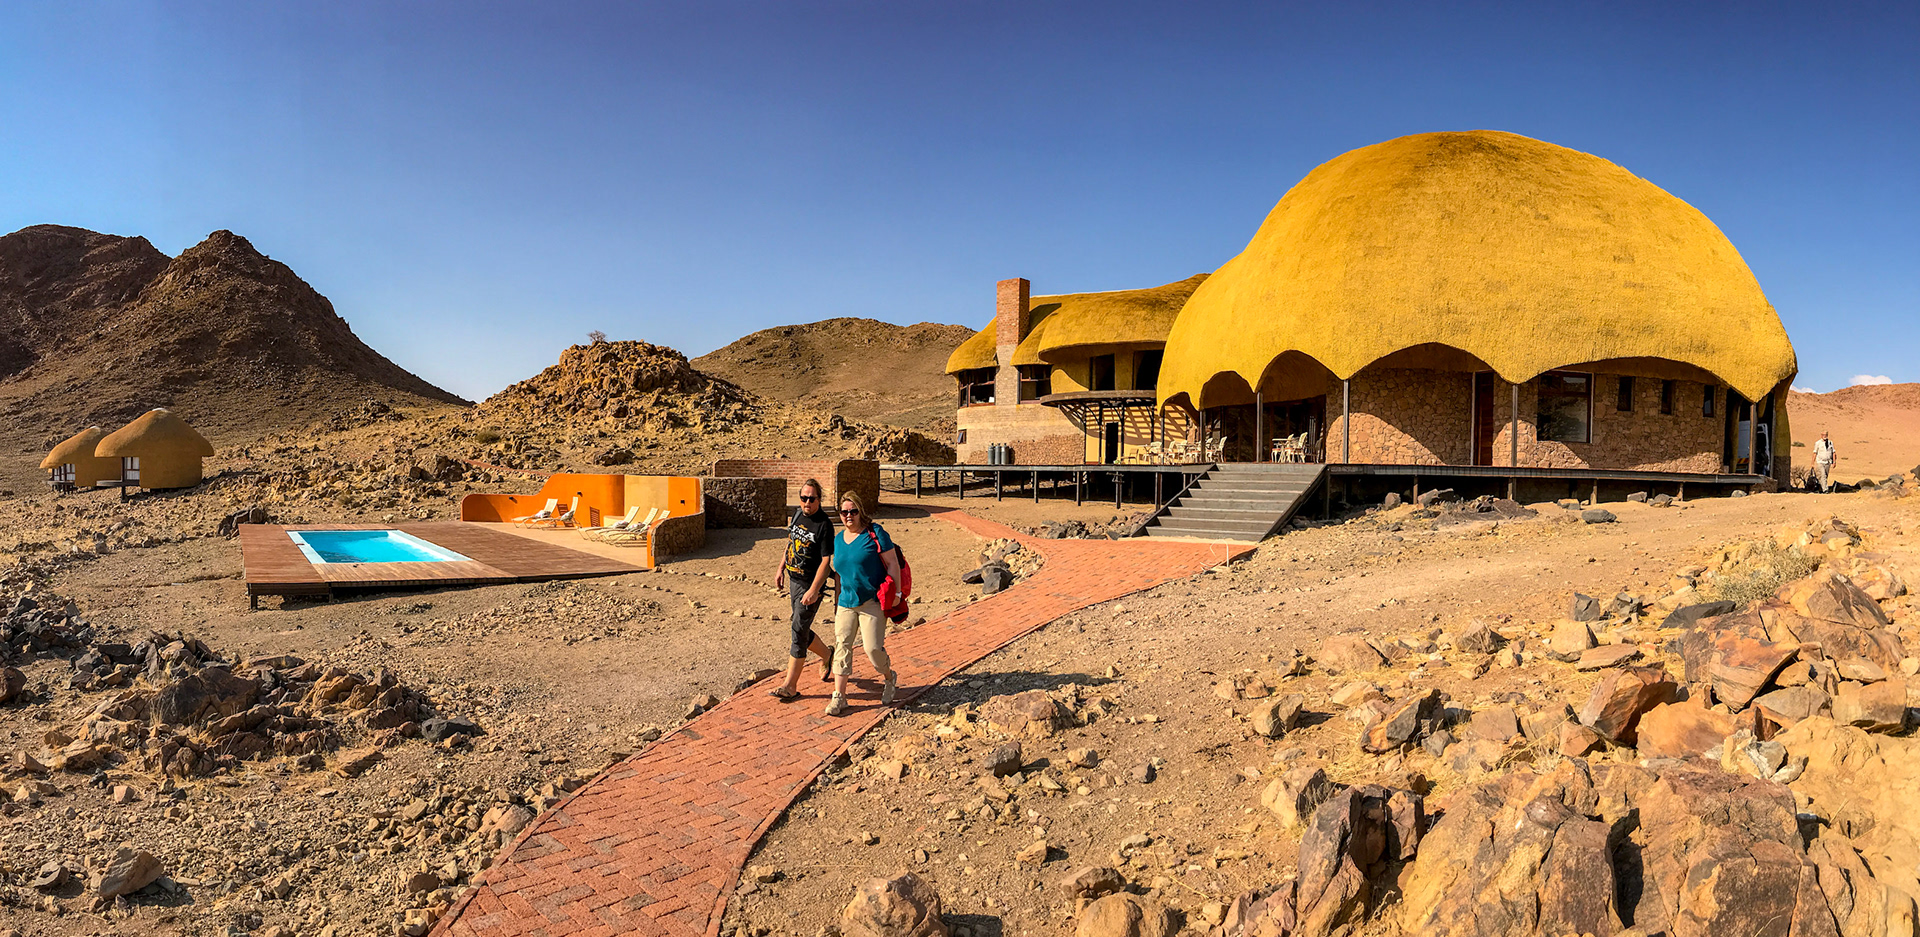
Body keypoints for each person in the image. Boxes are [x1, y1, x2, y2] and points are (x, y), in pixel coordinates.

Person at [821, 491, 901, 716]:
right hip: (846, 602)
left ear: (860, 511)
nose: (848, 516)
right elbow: (839, 573)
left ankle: (889, 677)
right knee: (842, 645)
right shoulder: (838, 540)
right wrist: (836, 601)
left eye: (853, 511)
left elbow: (892, 563)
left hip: (872, 601)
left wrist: (897, 592)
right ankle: (839, 697)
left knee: (872, 649)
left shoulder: (875, 533)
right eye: (844, 512)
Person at [770, 479, 835, 700]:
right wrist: (780, 568)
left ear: (819, 500)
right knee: (799, 626)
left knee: (798, 630)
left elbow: (826, 561)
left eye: (812, 498)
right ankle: (827, 654)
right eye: (804, 498)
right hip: (794, 580)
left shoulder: (824, 525)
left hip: (810, 584)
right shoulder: (797, 515)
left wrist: (815, 590)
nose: (807, 502)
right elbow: (790, 543)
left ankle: (790, 686)